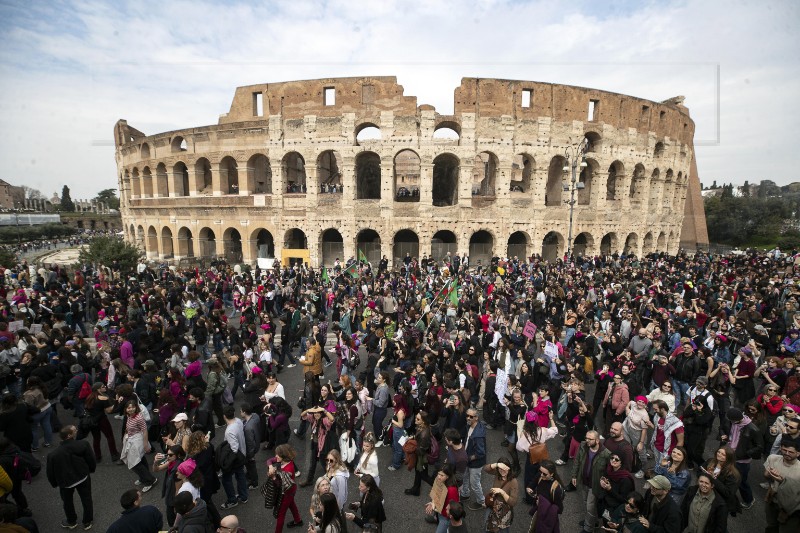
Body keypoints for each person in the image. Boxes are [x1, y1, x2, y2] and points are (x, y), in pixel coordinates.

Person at [45, 425, 96, 530]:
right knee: (86, 499)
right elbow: (91, 459)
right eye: (74, 430)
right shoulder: (83, 444)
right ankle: (87, 522)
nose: (76, 430)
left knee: (67, 502)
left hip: (65, 483)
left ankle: (71, 521)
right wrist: (90, 470)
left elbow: (50, 472)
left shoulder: (53, 455)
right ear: (69, 435)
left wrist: (55, 483)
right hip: (83, 477)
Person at [722, 407, 763, 509]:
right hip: (728, 454)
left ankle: (749, 500)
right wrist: (723, 434)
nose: (729, 421)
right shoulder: (730, 421)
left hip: (742, 460)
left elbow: (759, 447)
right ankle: (726, 496)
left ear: (736, 419)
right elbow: (722, 427)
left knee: (741, 481)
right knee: (727, 476)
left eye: (731, 420)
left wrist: (745, 453)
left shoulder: (753, 429)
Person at [571, 430, 611, 533]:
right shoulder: (583, 446)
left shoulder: (606, 453)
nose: (587, 441)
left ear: (597, 440)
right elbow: (577, 461)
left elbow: (609, 471)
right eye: (586, 438)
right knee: (586, 503)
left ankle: (588, 529)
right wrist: (574, 475)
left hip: (595, 485)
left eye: (590, 439)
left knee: (589, 507)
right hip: (584, 481)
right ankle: (594, 521)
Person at [763, 437, 800, 533]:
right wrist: (767, 475)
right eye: (784, 450)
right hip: (772, 500)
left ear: (798, 453)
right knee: (771, 525)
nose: (786, 453)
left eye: (790, 452)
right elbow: (767, 477)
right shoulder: (773, 458)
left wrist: (782, 480)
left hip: (790, 507)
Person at [120, 400, 158, 492]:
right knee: (140, 458)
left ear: (136, 407)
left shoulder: (139, 418)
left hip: (137, 441)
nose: (131, 409)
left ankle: (150, 480)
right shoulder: (129, 416)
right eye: (129, 407)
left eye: (133, 407)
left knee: (135, 463)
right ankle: (144, 477)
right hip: (132, 439)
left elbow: (145, 431)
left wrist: (145, 445)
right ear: (126, 409)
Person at [219, 405, 248, 509]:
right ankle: (243, 496)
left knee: (226, 479)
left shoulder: (230, 431)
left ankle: (232, 500)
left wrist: (227, 462)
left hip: (236, 458)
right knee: (240, 475)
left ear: (224, 416)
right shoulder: (238, 421)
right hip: (242, 453)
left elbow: (234, 448)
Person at [526, 460, 564, 533]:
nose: (541, 475)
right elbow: (532, 484)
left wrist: (542, 504)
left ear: (552, 474)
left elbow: (559, 509)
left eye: (545, 474)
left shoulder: (556, 489)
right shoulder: (540, 476)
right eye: (540, 471)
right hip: (539, 511)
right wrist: (529, 488)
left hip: (548, 517)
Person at [460, 407, 486, 510]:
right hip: (467, 458)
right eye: (467, 415)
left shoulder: (478, 434)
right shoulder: (470, 426)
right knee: (465, 476)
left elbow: (480, 453)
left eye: (471, 416)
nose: (468, 418)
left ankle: (481, 501)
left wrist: (468, 458)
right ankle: (465, 494)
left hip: (475, 463)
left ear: (476, 418)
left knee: (475, 483)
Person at [484, 458, 519, 533]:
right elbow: (486, 469)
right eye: (500, 469)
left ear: (509, 468)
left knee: (503, 529)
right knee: (488, 525)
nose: (502, 472)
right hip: (493, 505)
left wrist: (502, 492)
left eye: (504, 469)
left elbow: (513, 502)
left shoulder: (513, 482)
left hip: (504, 510)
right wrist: (496, 465)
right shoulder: (497, 473)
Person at [423, 464, 459, 533]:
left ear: (448, 476)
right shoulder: (440, 480)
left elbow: (452, 509)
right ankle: (436, 518)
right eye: (438, 474)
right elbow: (436, 493)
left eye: (442, 475)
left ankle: (438, 519)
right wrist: (433, 503)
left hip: (446, 516)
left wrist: (435, 508)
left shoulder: (451, 490)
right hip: (440, 510)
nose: (438, 477)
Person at [239, 403, 261, 489]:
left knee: (251, 465)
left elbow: (250, 443)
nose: (240, 413)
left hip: (250, 450)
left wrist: (249, 455)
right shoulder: (255, 416)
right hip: (257, 442)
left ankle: (254, 482)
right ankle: (249, 476)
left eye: (241, 411)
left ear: (244, 412)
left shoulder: (248, 428)